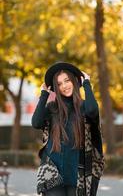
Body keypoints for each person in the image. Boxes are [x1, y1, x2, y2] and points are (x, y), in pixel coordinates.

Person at [32, 61, 104, 196]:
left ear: (75, 81)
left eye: (67, 80)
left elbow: (93, 111)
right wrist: (44, 94)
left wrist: (87, 84)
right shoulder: (52, 107)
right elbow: (36, 122)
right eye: (59, 84)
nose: (64, 86)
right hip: (52, 174)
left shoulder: (84, 107)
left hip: (77, 175)